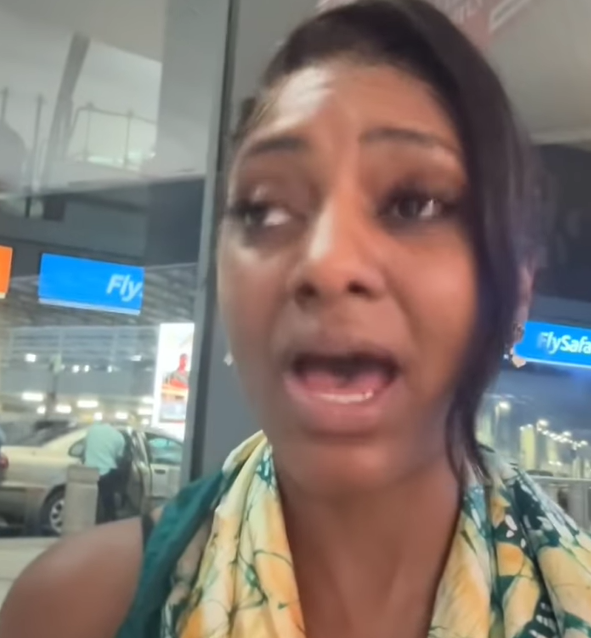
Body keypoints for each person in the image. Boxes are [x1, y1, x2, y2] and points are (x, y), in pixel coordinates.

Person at [2, 2, 591, 637]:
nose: (327, 263)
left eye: (413, 203)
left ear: (518, 288)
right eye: (265, 209)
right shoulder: (77, 609)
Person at [83, 422, 126, 523]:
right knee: (107, 499)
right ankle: (108, 520)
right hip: (107, 472)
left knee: (89, 500)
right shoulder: (119, 437)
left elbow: (85, 447)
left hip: (89, 470)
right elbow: (119, 457)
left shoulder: (92, 430)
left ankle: (89, 520)